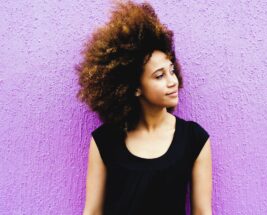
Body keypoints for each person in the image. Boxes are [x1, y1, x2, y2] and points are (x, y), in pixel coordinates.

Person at [75, 1, 212, 214]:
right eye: (159, 76)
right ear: (135, 87)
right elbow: (92, 212)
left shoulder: (194, 139)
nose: (172, 81)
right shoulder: (105, 141)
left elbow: (203, 212)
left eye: (172, 71)